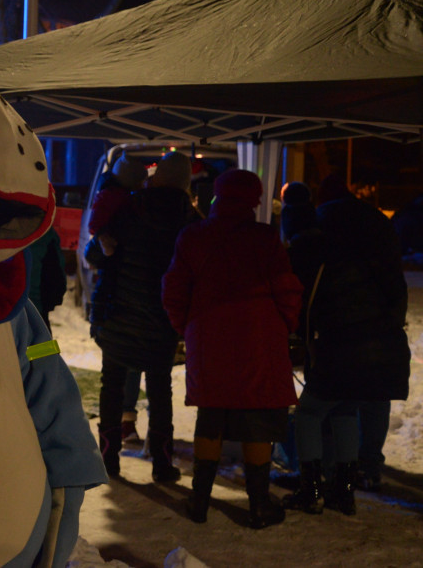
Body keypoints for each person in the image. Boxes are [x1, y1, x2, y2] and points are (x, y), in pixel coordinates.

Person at [162, 169, 301, 529]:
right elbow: (286, 288)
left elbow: (173, 290)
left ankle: (200, 500)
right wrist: (286, 323)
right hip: (259, 337)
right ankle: (258, 505)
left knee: (211, 416)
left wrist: (189, 327)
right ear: (254, 201)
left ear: (216, 196)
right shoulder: (265, 238)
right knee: (258, 419)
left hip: (208, 337)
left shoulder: (192, 236)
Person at [282, 173, 410, 515]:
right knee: (346, 409)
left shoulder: (318, 246)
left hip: (339, 343)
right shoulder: (373, 236)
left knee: (310, 412)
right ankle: (347, 488)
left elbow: (307, 302)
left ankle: (311, 487)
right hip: (380, 337)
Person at [90, 151, 198, 482]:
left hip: (118, 314)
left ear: (158, 177)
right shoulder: (191, 221)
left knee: (112, 386)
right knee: (160, 389)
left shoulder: (129, 207)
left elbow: (96, 255)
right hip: (160, 321)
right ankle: (162, 464)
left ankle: (108, 460)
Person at [85, 155, 147, 443]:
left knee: (113, 374)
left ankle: (112, 441)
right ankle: (126, 425)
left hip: (111, 306)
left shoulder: (109, 204)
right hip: (130, 307)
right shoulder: (133, 213)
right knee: (131, 369)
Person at [26, 227, 67, 330]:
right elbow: (56, 274)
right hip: (36, 307)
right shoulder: (44, 230)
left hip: (0, 307)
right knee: (41, 343)